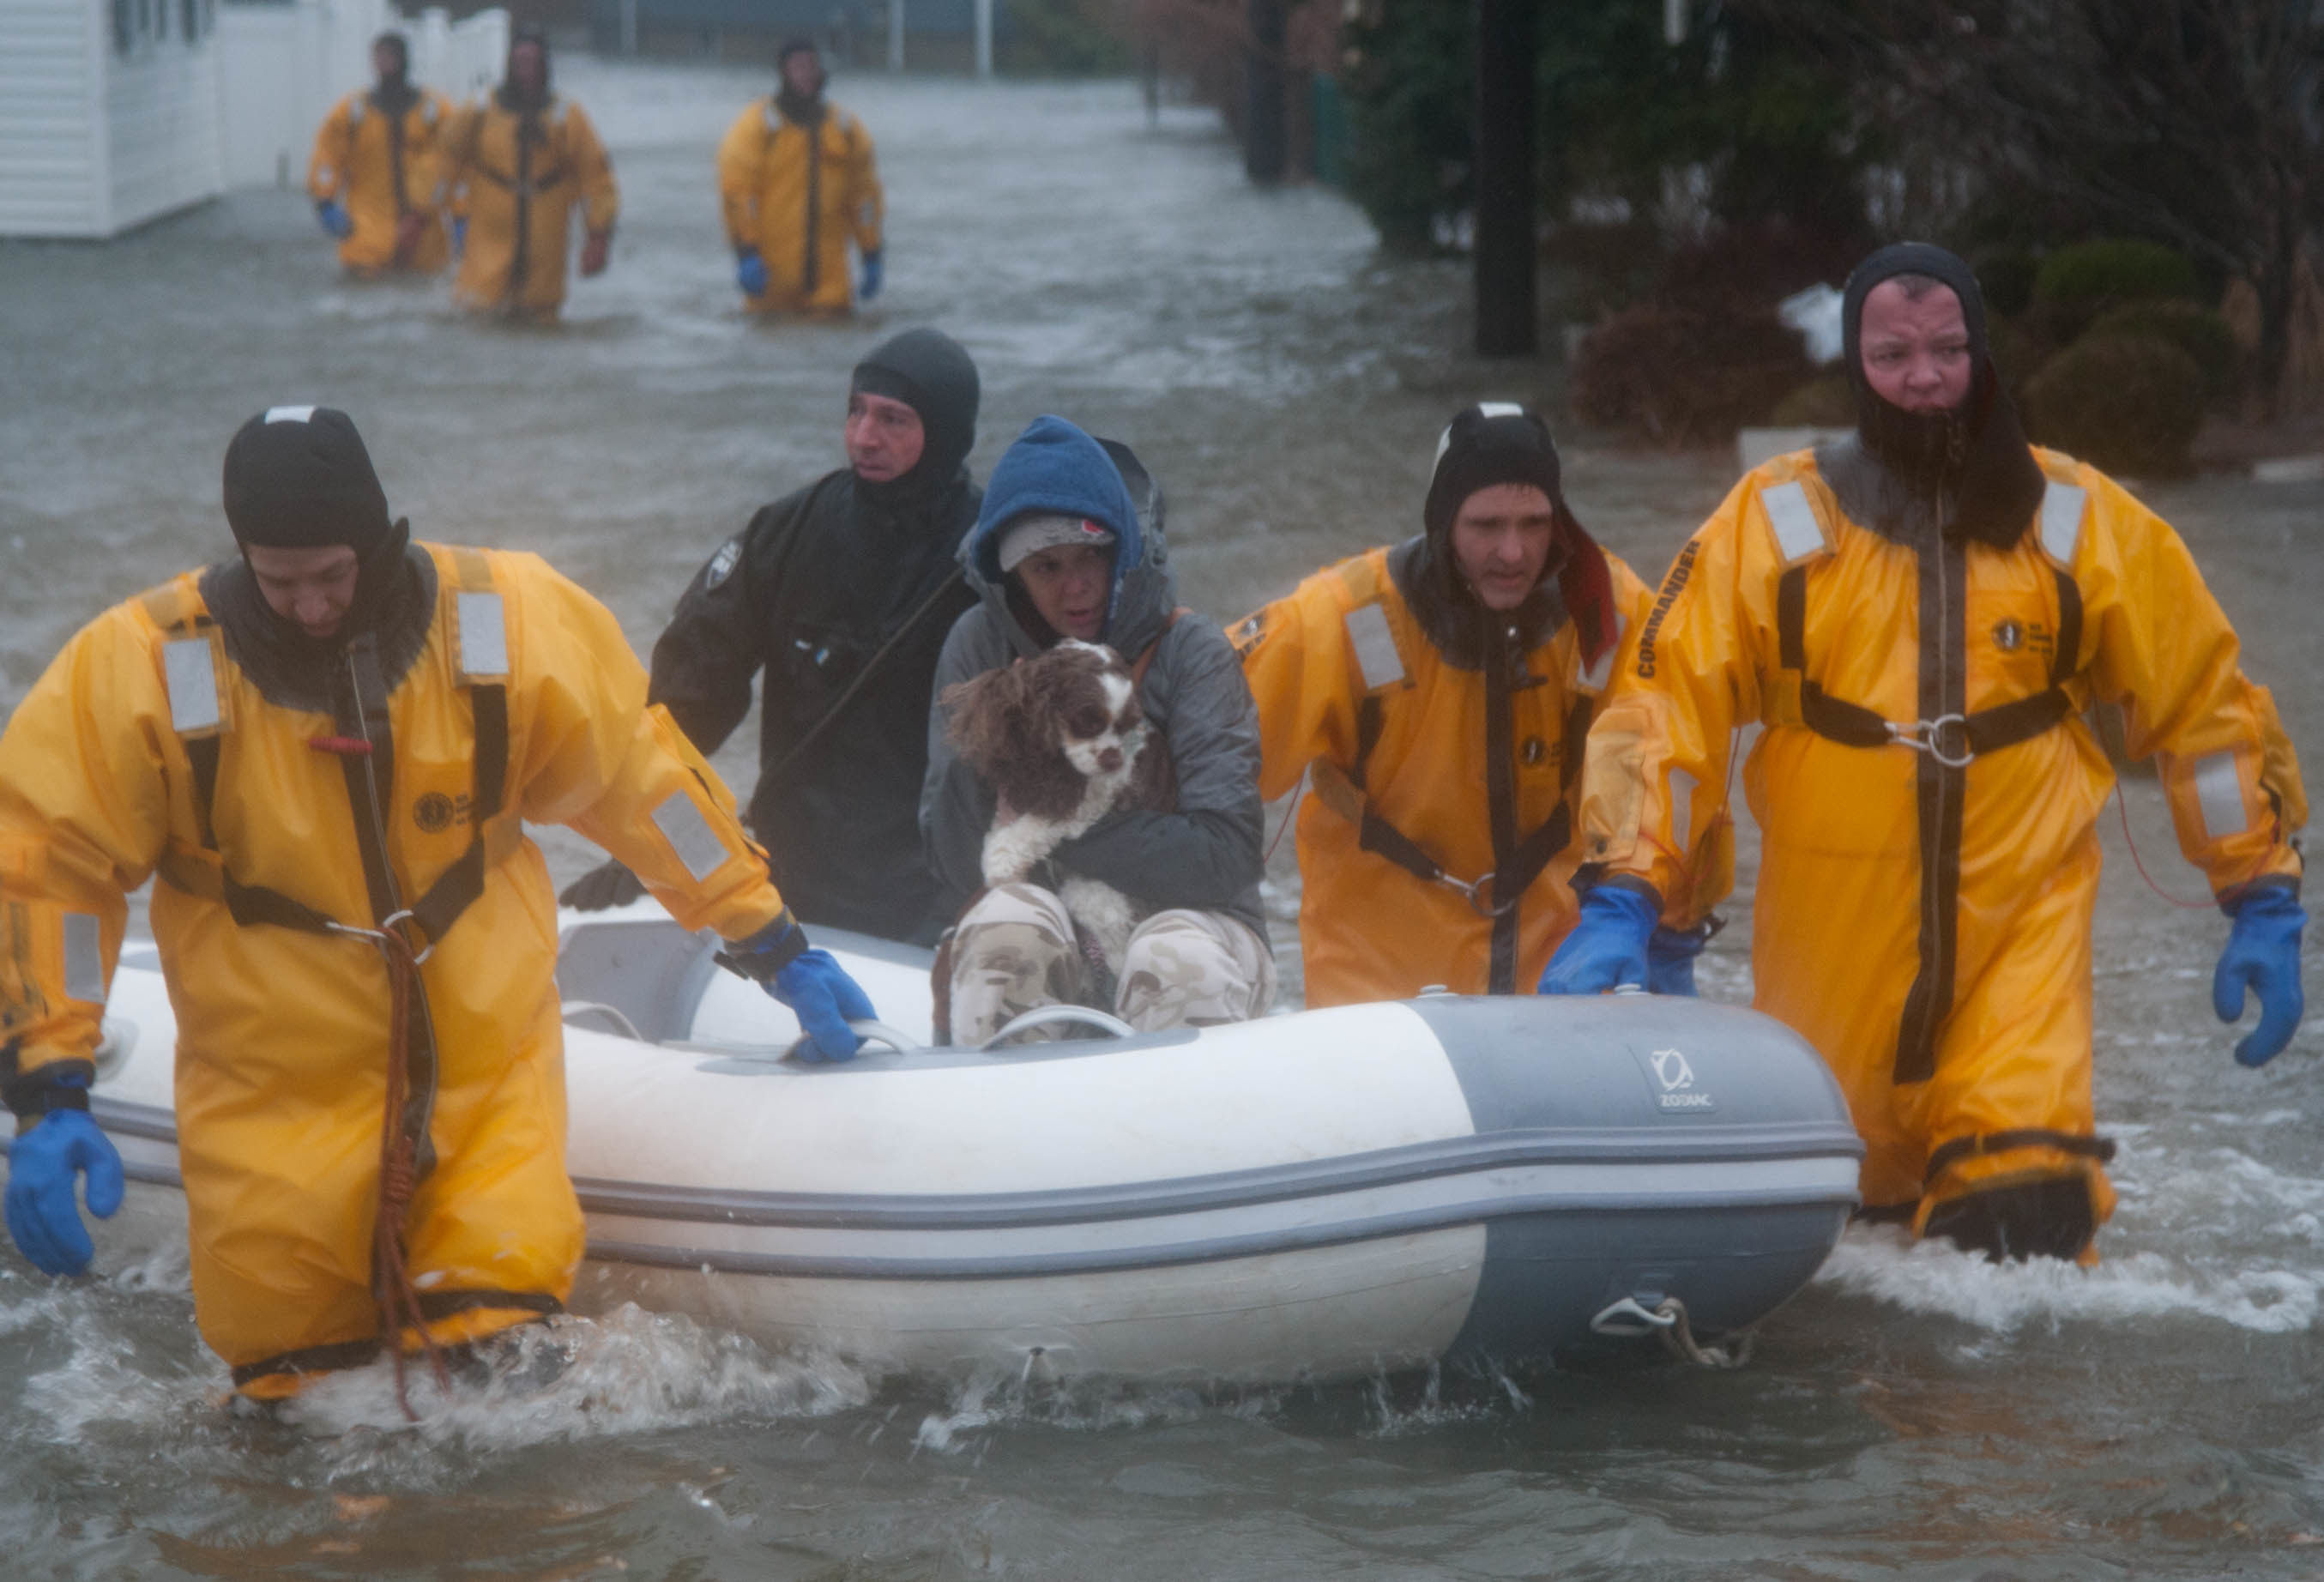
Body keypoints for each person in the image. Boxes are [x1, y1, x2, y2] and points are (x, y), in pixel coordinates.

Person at [0, 407, 874, 1405]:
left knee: (511, 1373)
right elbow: (49, 868)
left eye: (333, 575)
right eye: (280, 582)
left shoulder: (507, 622)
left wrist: (765, 934)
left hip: (485, 1082)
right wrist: (50, 1084)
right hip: (267, 1108)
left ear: (379, 541)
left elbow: (646, 784)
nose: (312, 605)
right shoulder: (141, 666)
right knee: (291, 1407)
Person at [1542, 242, 2308, 1264]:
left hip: (2020, 930)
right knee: (1837, 1249)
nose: (1924, 377)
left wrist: (2259, 887)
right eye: (1893, 354)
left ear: (1981, 352)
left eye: (1948, 350)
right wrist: (1629, 894)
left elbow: (2205, 708)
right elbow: (1663, 709)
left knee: (2026, 1220)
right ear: (1856, 364)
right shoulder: (1772, 519)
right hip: (1832, 946)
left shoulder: (2082, 521)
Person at [562, 329, 982, 943]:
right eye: (856, 411)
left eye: (893, 419)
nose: (864, 437)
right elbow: (682, 711)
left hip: (937, 894)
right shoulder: (786, 535)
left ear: (944, 432)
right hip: (797, 880)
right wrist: (644, 847)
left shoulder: (991, 560)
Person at [1231, 404, 1657, 1005]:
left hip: (1558, 976)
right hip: (1377, 987)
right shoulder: (1344, 617)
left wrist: (1656, 913)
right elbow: (1205, 741)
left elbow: (1668, 769)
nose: (1513, 552)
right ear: (1442, 521)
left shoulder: (1612, 612)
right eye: (1486, 525)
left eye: (1535, 524)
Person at [921, 415, 1272, 1042]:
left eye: (1092, 556)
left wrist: (1051, 818)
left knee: (1171, 958)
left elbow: (1226, 857)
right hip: (1045, 909)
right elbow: (950, 856)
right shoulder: (978, 644)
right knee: (1007, 934)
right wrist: (994, 739)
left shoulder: (1192, 650)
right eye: (1046, 567)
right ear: (1014, 578)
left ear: (1123, 551)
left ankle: (1198, 1104)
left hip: (1199, 918)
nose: (1076, 586)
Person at [440, 25, 618, 319]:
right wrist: (427, 213)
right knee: (478, 310)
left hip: (545, 239)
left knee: (541, 314)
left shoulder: (566, 117)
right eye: (521, 61)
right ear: (509, 63)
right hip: (489, 236)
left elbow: (596, 178)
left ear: (545, 64)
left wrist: (598, 235)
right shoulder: (481, 111)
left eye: (534, 61)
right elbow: (443, 161)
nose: (527, 70)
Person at [715, 38, 884, 317]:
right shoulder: (757, 127)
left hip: (831, 284)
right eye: (798, 67)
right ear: (783, 72)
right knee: (773, 335)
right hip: (772, 280)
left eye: (811, 66)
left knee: (833, 332)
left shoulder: (845, 129)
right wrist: (746, 252)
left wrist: (872, 252)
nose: (806, 74)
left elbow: (864, 196)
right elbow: (738, 193)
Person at [306, 33, 455, 276]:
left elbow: (457, 162)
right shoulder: (353, 112)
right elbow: (327, 156)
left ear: (405, 59)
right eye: (379, 57)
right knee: (367, 284)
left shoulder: (435, 111)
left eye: (390, 56)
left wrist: (461, 212)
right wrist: (325, 202)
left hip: (423, 233)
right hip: (367, 234)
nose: (384, 63)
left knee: (423, 284)